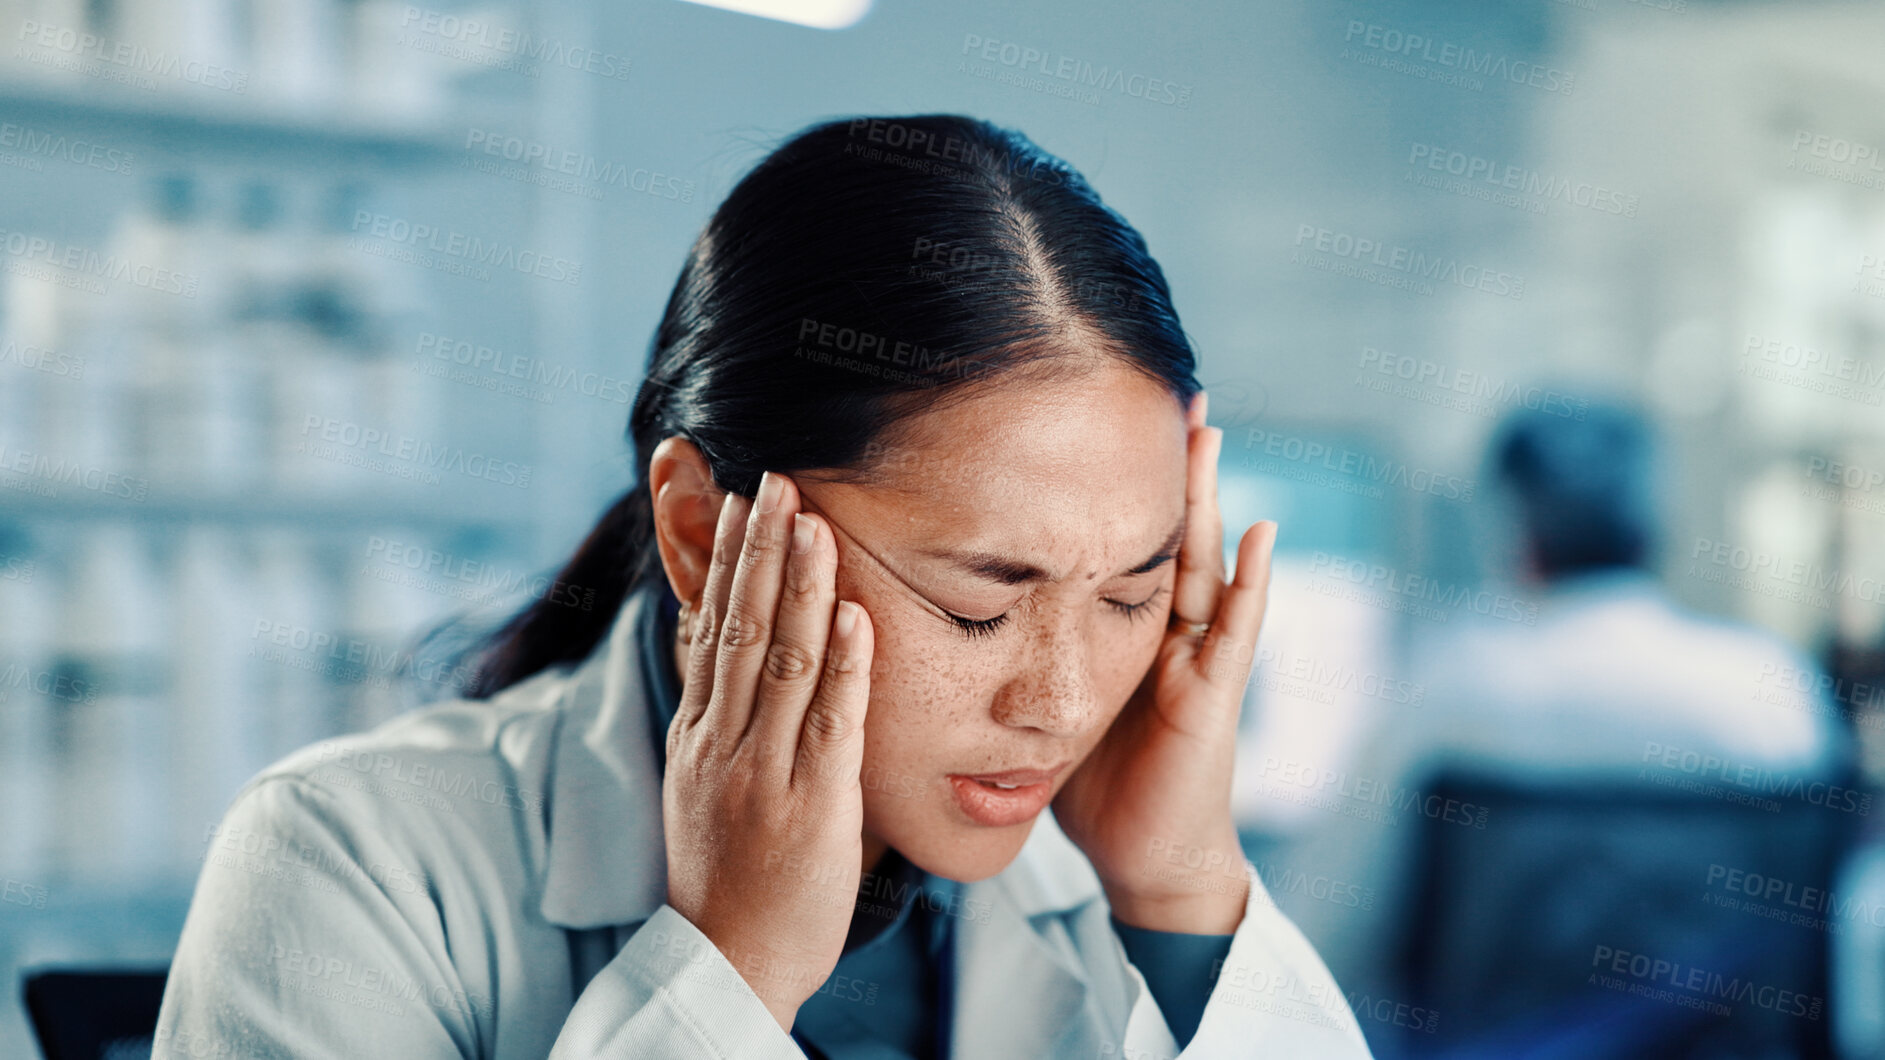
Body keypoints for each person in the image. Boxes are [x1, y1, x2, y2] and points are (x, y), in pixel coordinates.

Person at [153, 114, 1374, 1059]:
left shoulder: (1106, 898)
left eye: (1129, 595)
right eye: (978, 604)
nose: (1060, 702)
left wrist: (1179, 890)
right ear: (698, 529)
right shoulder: (351, 862)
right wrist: (727, 970)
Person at [1266, 399, 1848, 1033]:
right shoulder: (1773, 692)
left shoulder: (1446, 693)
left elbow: (1323, 937)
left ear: (1513, 532)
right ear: (1656, 524)